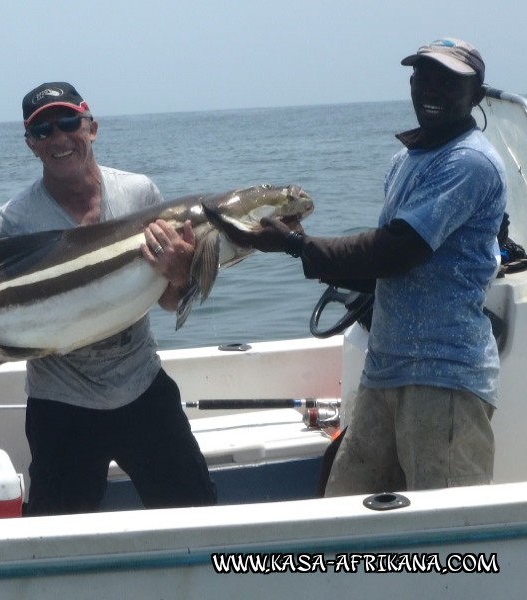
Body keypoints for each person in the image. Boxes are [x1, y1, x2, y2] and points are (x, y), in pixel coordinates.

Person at [215, 38, 507, 495]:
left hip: (445, 379)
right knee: (346, 511)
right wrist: (295, 247)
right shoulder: (404, 162)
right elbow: (382, 272)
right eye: (422, 75)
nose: (431, 87)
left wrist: (294, 244)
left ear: (476, 94)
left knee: (445, 536)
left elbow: (397, 250)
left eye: (448, 80)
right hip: (385, 373)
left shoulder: (469, 161)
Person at [0, 82, 216, 515]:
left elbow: (169, 301)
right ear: (30, 145)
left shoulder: (140, 195)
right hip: (60, 408)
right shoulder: (14, 222)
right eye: (42, 132)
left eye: (68, 122)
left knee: (199, 515)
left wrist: (182, 273)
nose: (58, 138)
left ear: (91, 127)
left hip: (143, 390)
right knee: (54, 542)